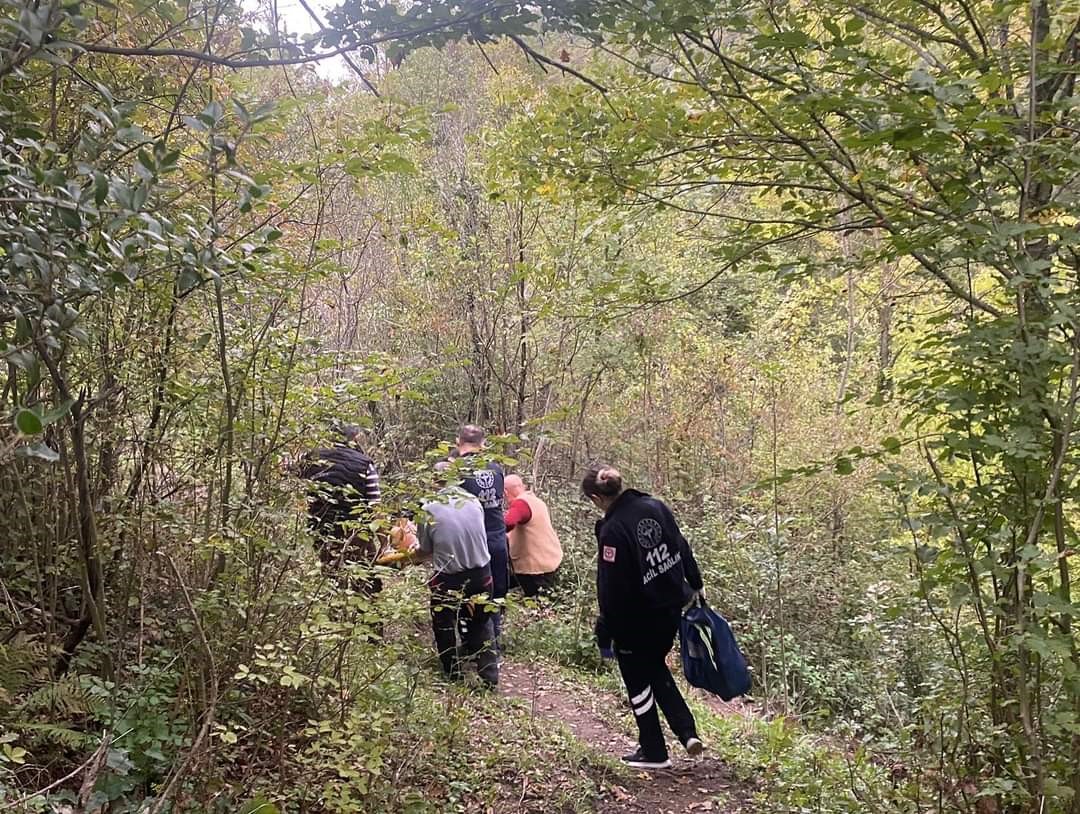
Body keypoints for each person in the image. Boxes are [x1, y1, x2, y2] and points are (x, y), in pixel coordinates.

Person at [583, 464, 706, 770]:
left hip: (636, 619)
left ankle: (653, 750)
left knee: (637, 676)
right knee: (653, 666)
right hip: (670, 610)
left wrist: (605, 630)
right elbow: (681, 545)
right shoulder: (655, 506)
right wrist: (695, 583)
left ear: (597, 498)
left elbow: (612, 589)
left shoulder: (613, 530)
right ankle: (686, 731)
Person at [414, 462, 499, 688]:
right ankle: (490, 677)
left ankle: (452, 674)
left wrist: (407, 558)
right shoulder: (473, 501)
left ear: (435, 480)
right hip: (483, 574)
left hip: (449, 578)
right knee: (482, 622)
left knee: (443, 624)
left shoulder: (428, 507)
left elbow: (425, 550)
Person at [299, 424, 382, 582]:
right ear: (355, 438)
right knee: (364, 573)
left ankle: (334, 603)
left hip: (320, 527)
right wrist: (384, 540)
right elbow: (375, 505)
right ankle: (366, 601)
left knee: (331, 572)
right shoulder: (364, 464)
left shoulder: (311, 458)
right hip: (355, 530)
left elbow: (286, 472)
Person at [453, 425, 509, 642]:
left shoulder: (457, 470)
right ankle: (493, 643)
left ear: (459, 442)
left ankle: (472, 643)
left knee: (468, 591)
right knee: (495, 591)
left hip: (470, 539)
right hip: (496, 535)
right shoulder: (496, 468)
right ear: (483, 443)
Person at [504, 474, 563, 597]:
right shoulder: (537, 501)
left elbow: (508, 523)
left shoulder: (520, 503)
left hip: (535, 568)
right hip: (551, 560)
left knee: (536, 605)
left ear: (505, 492)